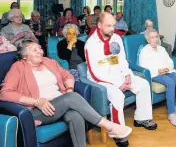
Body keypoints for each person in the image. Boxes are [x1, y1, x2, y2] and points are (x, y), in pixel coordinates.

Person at [0, 40, 132, 147]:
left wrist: (68, 89)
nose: (40, 51)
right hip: (38, 110)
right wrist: (36, 101)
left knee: (75, 115)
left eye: (40, 48)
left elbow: (67, 75)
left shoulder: (48, 62)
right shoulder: (18, 67)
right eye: (34, 50)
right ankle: (110, 127)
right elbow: (4, 93)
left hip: (61, 103)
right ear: (24, 56)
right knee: (71, 98)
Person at [85, 12, 157, 147]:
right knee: (117, 95)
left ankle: (142, 118)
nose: (112, 29)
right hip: (100, 80)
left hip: (119, 75)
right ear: (99, 25)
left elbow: (122, 60)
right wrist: (119, 83)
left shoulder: (116, 38)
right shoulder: (91, 44)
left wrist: (128, 75)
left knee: (143, 84)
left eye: (113, 25)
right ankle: (118, 132)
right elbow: (95, 72)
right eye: (108, 26)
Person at [139, 29, 176, 127]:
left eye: (156, 37)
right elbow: (143, 67)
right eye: (152, 37)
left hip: (167, 71)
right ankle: (171, 113)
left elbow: (170, 61)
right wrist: (158, 70)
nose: (155, 39)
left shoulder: (162, 49)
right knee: (170, 83)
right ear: (148, 40)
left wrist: (167, 68)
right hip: (155, 74)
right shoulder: (145, 51)